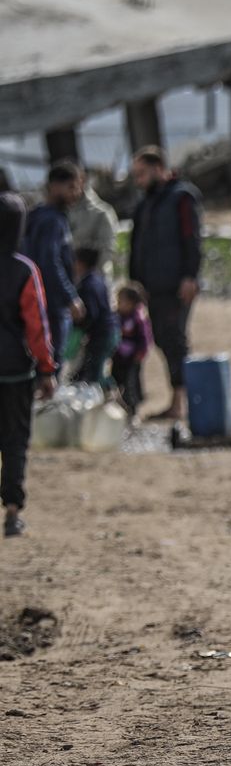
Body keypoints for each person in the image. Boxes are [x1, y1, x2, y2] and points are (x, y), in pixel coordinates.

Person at [127, 147, 202, 423]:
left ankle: (180, 404)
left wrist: (190, 276)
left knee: (174, 340)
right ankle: (174, 401)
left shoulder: (181, 197)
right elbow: (137, 246)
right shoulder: (147, 203)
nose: (139, 180)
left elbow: (191, 238)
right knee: (159, 338)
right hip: (151, 286)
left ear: (159, 168)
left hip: (175, 285)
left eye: (142, 173)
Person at [0, 194, 57, 539]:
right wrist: (47, 369)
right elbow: (38, 327)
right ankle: (12, 511)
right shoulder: (25, 270)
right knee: (15, 440)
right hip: (16, 370)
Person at [24, 162, 82, 376]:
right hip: (52, 304)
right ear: (55, 186)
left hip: (38, 301)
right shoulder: (52, 221)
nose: (77, 194)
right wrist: (70, 297)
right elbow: (50, 262)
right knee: (51, 364)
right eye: (72, 187)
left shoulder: (36, 216)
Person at [71, 248, 115, 387]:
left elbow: (91, 314)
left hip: (101, 334)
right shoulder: (97, 279)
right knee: (95, 368)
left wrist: (78, 326)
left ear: (81, 263)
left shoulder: (87, 285)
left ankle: (113, 398)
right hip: (109, 331)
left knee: (95, 373)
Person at [62, 167, 119, 273]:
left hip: (91, 281)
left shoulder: (102, 213)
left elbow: (107, 250)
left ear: (82, 180)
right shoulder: (60, 211)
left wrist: (86, 274)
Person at [111, 282, 151, 419]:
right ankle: (117, 409)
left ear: (131, 302)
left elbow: (145, 338)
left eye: (122, 301)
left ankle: (133, 411)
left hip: (132, 360)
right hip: (118, 358)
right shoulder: (117, 316)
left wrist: (140, 354)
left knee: (131, 385)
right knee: (115, 383)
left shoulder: (137, 318)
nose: (119, 303)